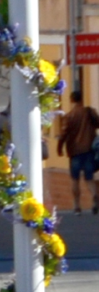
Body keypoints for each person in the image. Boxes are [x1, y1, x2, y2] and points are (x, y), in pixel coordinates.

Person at [57, 85, 98, 213]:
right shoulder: (89, 112)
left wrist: (60, 147)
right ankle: (94, 195)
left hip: (74, 151)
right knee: (89, 177)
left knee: (75, 179)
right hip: (89, 149)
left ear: (71, 100)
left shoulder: (69, 116)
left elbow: (64, 134)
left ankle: (76, 205)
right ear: (81, 99)